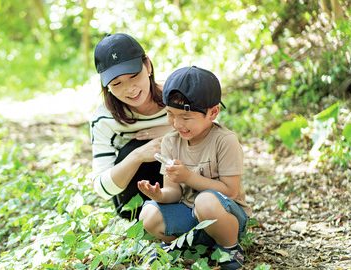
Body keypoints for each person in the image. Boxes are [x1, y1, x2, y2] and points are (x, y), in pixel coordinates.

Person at [137, 66, 251, 269]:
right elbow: (173, 191)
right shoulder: (171, 142)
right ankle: (181, 245)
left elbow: (231, 191)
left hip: (225, 216)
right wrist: (159, 195)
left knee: (205, 201)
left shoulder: (225, 141)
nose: (177, 123)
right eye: (171, 114)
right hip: (190, 214)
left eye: (186, 117)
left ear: (213, 112)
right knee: (149, 214)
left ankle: (229, 247)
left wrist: (188, 176)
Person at [89, 33, 172, 220]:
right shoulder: (104, 119)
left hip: (186, 183)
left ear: (148, 66)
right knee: (133, 148)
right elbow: (103, 188)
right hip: (136, 202)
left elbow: (215, 135)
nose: (130, 88)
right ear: (106, 86)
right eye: (116, 83)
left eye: (134, 76)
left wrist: (172, 131)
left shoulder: (177, 94)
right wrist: (139, 154)